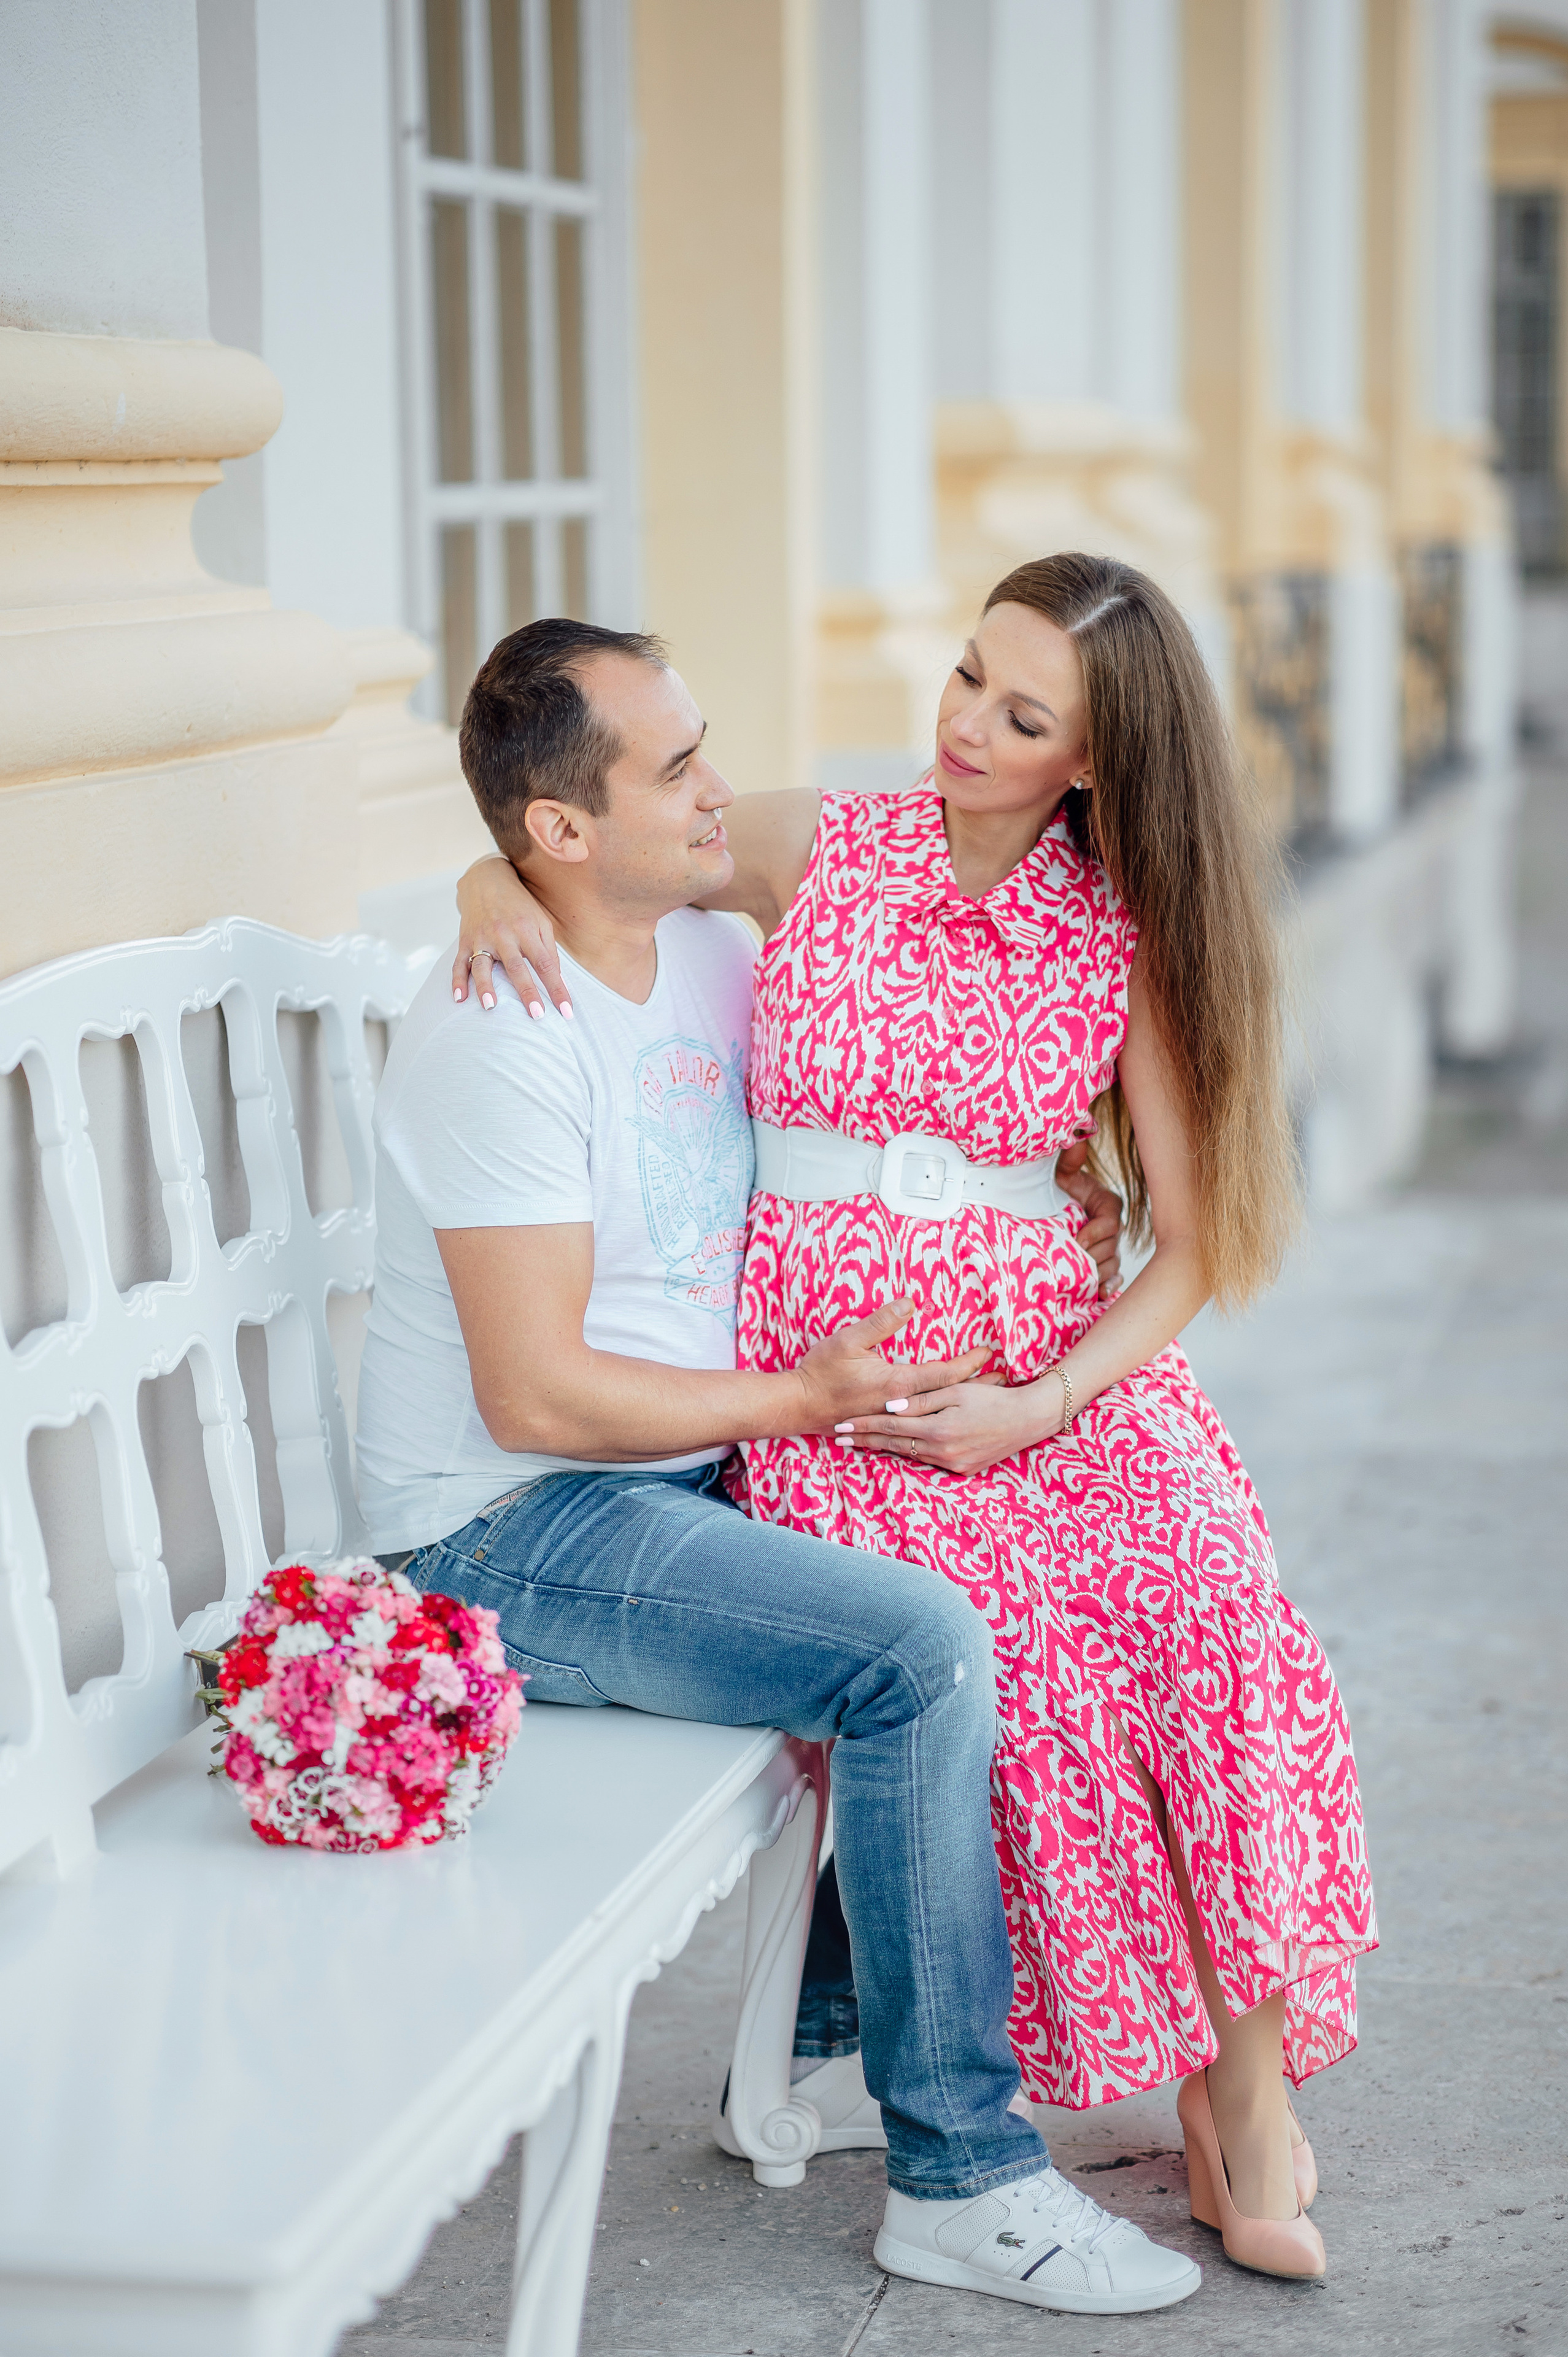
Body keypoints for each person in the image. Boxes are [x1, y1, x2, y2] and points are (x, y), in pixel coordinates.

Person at [454, 555, 1378, 2285]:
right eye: (967, 678)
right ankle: (1039, 2090)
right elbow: (605, 842)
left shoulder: (1122, 929)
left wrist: (1044, 1403)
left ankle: (1242, 2096)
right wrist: (477, 879)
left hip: (1051, 1373)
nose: (964, 728)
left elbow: (1189, 1244)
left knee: (1212, 1611)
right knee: (1027, 1659)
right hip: (843, 1397)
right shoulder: (827, 844)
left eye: (1023, 719)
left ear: (1094, 762)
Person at [354, 616, 1202, 2318]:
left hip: (680, 1477)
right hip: (509, 1533)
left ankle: (822, 2037)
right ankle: (959, 2177)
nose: (717, 791)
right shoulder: (498, 1035)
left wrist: (1058, 1179)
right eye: (677, 769)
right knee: (917, 1648)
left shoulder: (709, 954)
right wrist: (803, 1399)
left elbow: (887, 1098)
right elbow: (536, 1401)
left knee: (1037, 1576)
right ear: (566, 827)